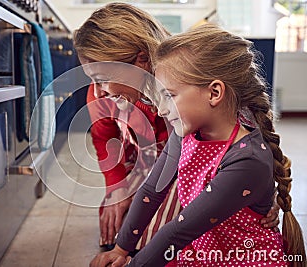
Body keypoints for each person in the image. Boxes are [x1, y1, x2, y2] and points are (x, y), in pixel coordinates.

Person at [89, 23, 306, 267]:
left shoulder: (248, 160)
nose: (161, 109)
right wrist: (121, 248)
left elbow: (177, 232)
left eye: (169, 96)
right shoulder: (187, 133)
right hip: (203, 251)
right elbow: (152, 191)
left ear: (214, 93)